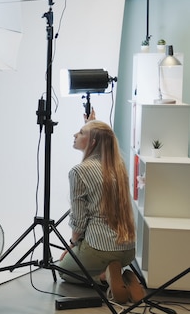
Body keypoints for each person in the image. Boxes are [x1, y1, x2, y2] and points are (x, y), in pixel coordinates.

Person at [57, 116, 146, 304]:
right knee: (87, 262)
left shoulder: (79, 171)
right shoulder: (119, 167)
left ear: (93, 142)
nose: (75, 135)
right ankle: (122, 276)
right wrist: (92, 123)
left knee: (63, 270)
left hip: (100, 249)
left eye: (81, 132)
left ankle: (104, 277)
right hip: (127, 250)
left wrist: (73, 245)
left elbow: (79, 221)